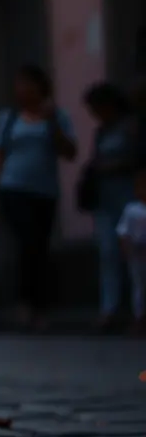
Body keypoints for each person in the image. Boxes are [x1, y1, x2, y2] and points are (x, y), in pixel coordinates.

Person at [0, 64, 77, 330]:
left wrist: (52, 124)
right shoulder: (9, 118)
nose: (22, 90)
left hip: (44, 190)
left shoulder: (57, 117)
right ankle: (26, 306)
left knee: (39, 246)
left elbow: (70, 152)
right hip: (13, 189)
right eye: (19, 85)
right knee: (26, 244)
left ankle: (39, 306)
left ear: (41, 87)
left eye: (28, 84)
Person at [83, 83, 137, 331]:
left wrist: (113, 166)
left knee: (134, 251)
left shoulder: (131, 128)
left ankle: (137, 309)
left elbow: (137, 158)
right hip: (105, 198)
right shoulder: (101, 131)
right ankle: (110, 308)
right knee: (108, 251)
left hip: (128, 196)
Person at [117, 170, 146, 333]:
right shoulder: (132, 210)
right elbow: (123, 232)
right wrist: (126, 249)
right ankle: (139, 318)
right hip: (137, 256)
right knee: (139, 287)